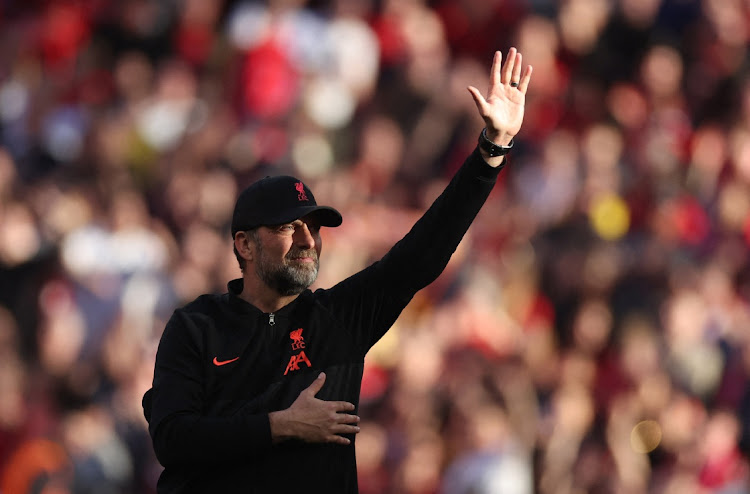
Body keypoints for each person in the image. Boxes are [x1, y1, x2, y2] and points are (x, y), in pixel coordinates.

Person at [142, 47, 532, 493]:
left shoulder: (338, 320)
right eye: (290, 228)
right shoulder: (196, 326)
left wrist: (490, 150)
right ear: (244, 244)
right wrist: (279, 426)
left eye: (315, 228)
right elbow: (172, 440)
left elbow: (423, 253)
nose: (309, 240)